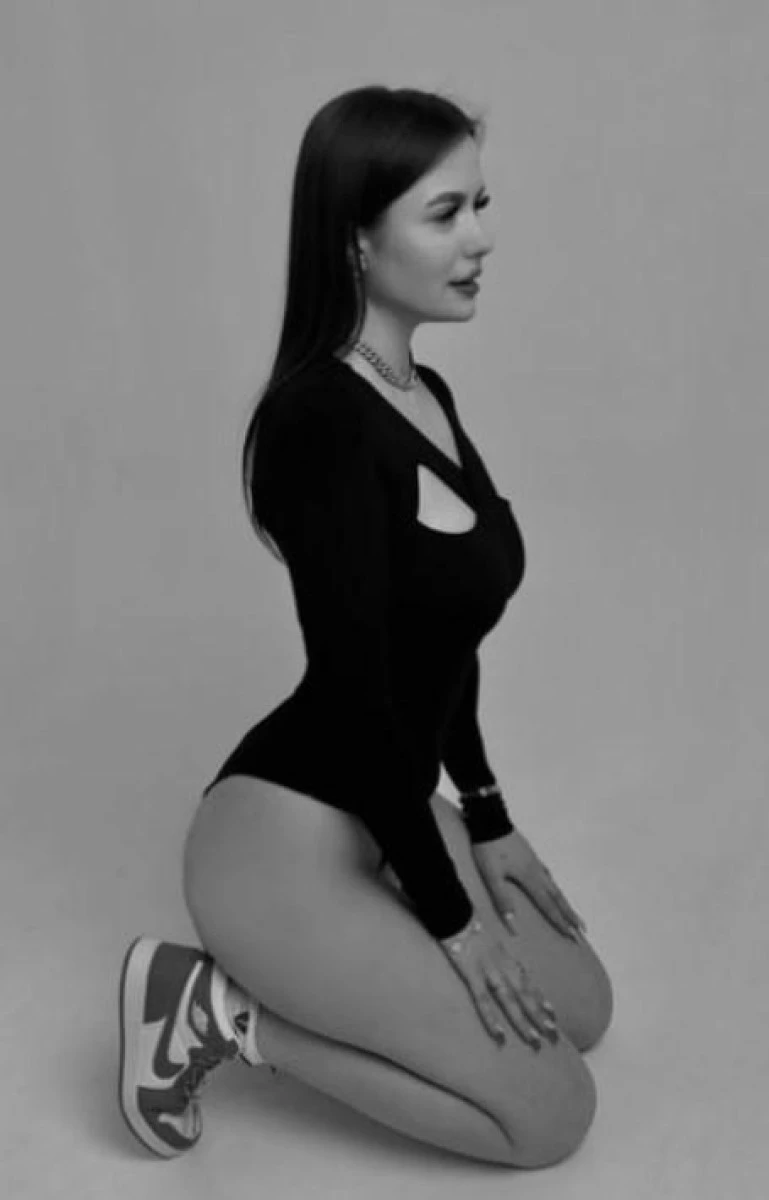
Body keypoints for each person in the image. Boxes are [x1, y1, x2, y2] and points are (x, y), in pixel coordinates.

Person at [117, 84, 613, 1169]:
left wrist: (487, 818)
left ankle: (388, 916)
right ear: (355, 237)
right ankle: (212, 1013)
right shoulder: (315, 422)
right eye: (444, 213)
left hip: (389, 803)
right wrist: (451, 921)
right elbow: (355, 691)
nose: (480, 238)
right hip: (281, 839)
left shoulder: (424, 393)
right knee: (548, 1119)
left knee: (584, 1008)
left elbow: (443, 637)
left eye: (480, 204)